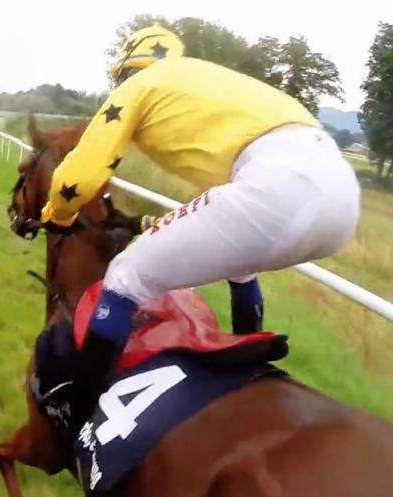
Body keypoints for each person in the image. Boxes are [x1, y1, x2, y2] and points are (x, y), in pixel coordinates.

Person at [40, 24, 360, 431]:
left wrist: (57, 213)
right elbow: (213, 218)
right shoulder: (213, 83)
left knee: (123, 278)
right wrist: (139, 223)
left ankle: (77, 412)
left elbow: (79, 177)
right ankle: (251, 371)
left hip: (276, 187)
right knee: (242, 264)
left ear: (126, 70)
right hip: (340, 197)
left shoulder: (139, 85)